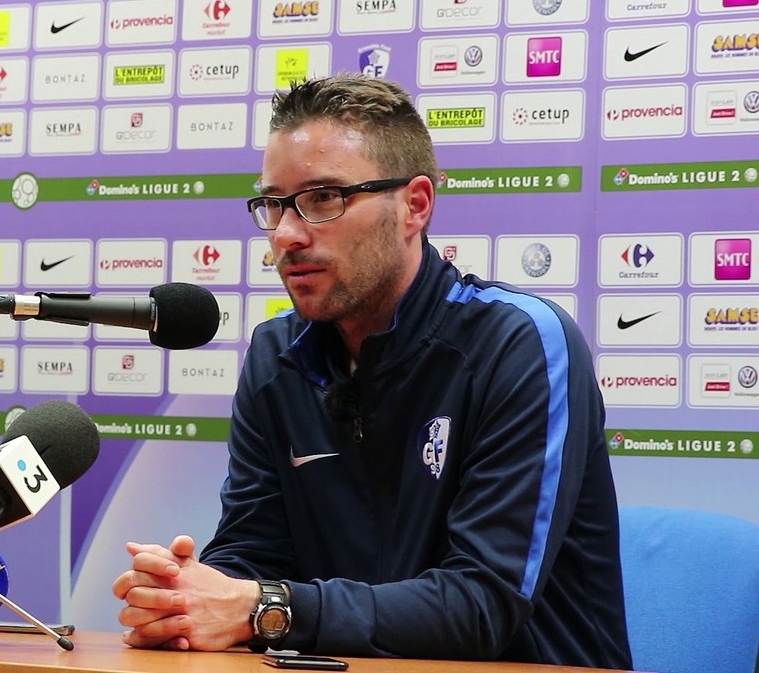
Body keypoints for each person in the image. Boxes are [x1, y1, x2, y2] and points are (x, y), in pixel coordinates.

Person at [112, 74, 632, 668]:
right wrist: (189, 599)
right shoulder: (276, 355)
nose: (285, 234)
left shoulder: (519, 343)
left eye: (323, 199)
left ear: (415, 205)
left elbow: (482, 605)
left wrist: (265, 608)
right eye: (274, 203)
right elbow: (254, 553)